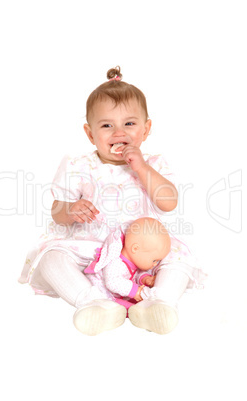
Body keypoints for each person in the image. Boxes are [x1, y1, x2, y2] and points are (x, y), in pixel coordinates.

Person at [19, 66, 206, 336]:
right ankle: (93, 304)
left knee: (179, 260)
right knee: (51, 257)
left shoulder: (153, 164)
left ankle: (159, 304)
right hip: (93, 248)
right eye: (107, 125)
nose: (119, 132)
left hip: (145, 251)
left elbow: (169, 202)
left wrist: (141, 168)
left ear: (146, 128)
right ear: (90, 133)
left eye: (129, 124)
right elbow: (56, 212)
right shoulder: (78, 166)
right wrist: (70, 210)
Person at [84, 217, 171, 311]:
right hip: (103, 294)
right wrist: (135, 291)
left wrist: (144, 278)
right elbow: (112, 282)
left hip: (118, 295)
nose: (155, 264)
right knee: (130, 308)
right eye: (154, 260)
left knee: (141, 302)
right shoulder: (116, 263)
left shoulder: (133, 262)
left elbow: (135, 275)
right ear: (135, 249)